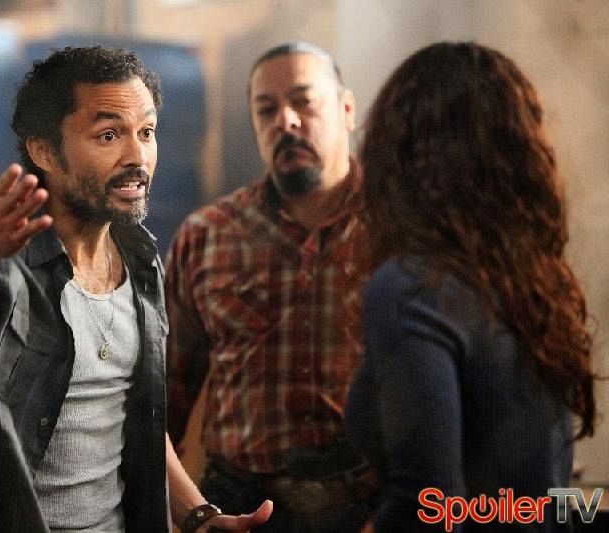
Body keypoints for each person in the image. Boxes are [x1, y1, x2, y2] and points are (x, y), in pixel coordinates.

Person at [0, 45, 271, 533]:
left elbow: (135, 417)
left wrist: (197, 516)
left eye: (147, 132)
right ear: (45, 152)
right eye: (109, 135)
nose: (137, 156)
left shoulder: (139, 258)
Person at [344, 41, 597, 532]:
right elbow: (548, 498)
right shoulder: (533, 286)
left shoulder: (413, 287)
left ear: (400, 155)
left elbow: (426, 510)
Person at [165, 42, 373, 532]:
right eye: (266, 109)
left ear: (346, 110)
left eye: (303, 102)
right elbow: (160, 400)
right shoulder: (208, 235)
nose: (286, 121)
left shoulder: (400, 227)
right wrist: (188, 514)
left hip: (372, 506)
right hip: (239, 506)